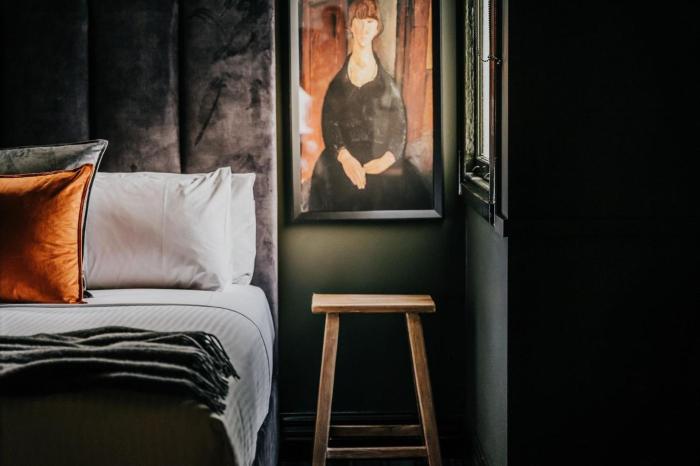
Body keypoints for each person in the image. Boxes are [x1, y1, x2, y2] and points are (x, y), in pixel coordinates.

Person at [309, 0, 431, 212]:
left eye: (370, 21)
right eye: (359, 20)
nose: (364, 28)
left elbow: (399, 127)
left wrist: (387, 159)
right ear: (351, 26)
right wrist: (345, 157)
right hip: (344, 160)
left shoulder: (388, 83)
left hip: (380, 160)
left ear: (377, 28)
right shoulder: (337, 84)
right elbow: (329, 123)